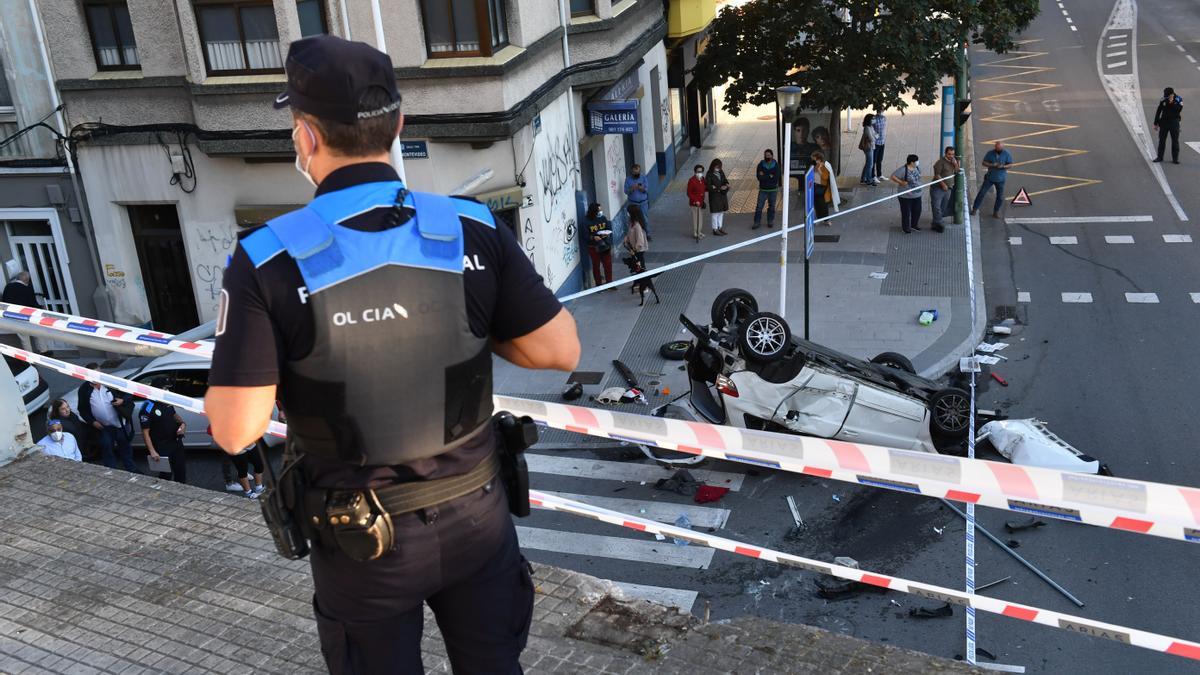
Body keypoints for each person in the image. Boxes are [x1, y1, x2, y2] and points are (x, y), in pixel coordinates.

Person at [204, 35, 580, 674]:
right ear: (398, 126)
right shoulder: (471, 226)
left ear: (305, 138)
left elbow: (235, 430)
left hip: (362, 544)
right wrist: (454, 322)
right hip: (477, 522)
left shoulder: (266, 259)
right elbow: (561, 349)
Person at [76, 378, 138, 473]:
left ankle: (131, 469)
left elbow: (129, 393)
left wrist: (122, 400)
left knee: (126, 448)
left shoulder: (110, 382)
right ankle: (112, 472)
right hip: (103, 427)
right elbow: (82, 409)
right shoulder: (84, 389)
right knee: (107, 449)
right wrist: (92, 422)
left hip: (120, 424)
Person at [139, 376, 188, 484]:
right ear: (157, 389)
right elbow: (145, 432)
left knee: (181, 472)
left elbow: (175, 416)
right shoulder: (148, 407)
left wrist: (183, 425)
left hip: (176, 442)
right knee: (166, 475)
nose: (167, 391)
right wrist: (152, 451)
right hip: (161, 446)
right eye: (165, 388)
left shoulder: (167, 402)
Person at [971, 141, 1013, 218]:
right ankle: (974, 209)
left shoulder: (1006, 154)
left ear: (1002, 148)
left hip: (1001, 179)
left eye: (999, 149)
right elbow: (983, 163)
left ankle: (996, 212)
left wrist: (1003, 167)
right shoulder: (990, 153)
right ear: (995, 147)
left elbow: (1010, 164)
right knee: (981, 193)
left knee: (1000, 197)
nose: (998, 150)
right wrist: (992, 165)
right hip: (990, 178)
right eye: (996, 148)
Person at [2, 271, 42, 352]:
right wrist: (40, 308)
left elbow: (4, 301)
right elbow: (32, 303)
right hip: (27, 315)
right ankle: (43, 350)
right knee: (38, 332)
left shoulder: (8, 286)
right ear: (27, 280)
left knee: (24, 337)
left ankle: (29, 356)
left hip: (13, 315)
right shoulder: (27, 288)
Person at [890, 154, 923, 234]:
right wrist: (901, 182)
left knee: (917, 210)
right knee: (906, 212)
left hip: (917, 194)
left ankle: (914, 225)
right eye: (916, 161)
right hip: (905, 196)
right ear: (912, 162)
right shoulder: (903, 170)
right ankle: (906, 228)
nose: (918, 162)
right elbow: (893, 176)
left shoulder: (917, 168)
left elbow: (919, 176)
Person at [930, 146, 960, 232]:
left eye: (953, 154)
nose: (951, 156)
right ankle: (939, 223)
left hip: (948, 188)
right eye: (949, 154)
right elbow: (937, 175)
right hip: (938, 188)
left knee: (943, 206)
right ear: (945, 153)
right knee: (936, 206)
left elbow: (957, 171)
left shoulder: (953, 162)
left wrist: (955, 164)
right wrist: (943, 184)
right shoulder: (940, 162)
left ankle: (935, 222)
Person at [584, 203, 613, 287]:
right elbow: (585, 236)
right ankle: (599, 285)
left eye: (601, 210)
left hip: (605, 245)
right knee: (596, 266)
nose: (601, 212)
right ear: (594, 211)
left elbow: (608, 228)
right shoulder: (586, 222)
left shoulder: (603, 218)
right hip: (593, 248)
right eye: (599, 210)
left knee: (608, 265)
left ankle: (610, 284)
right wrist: (593, 237)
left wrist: (607, 234)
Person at [1153, 86, 1183, 164]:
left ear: (1172, 94)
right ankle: (1160, 157)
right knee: (1162, 140)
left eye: (1168, 95)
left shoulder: (1179, 99)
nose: (1166, 97)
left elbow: (1178, 109)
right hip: (1164, 122)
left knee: (1175, 141)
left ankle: (1175, 159)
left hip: (1174, 122)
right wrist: (1156, 123)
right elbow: (1159, 111)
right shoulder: (1163, 99)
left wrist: (1171, 102)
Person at [810, 151, 840, 222]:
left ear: (819, 160)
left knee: (823, 205)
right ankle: (819, 218)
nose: (813, 161)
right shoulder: (813, 166)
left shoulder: (824, 166)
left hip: (822, 188)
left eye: (814, 160)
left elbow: (825, 177)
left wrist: (819, 170)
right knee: (816, 204)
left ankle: (826, 219)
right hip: (815, 186)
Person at [753, 149, 780, 230]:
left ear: (772, 156)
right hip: (763, 190)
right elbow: (759, 177)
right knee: (759, 207)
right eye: (766, 155)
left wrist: (765, 175)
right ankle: (756, 222)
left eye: (768, 155)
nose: (767, 157)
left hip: (773, 190)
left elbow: (776, 178)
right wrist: (769, 175)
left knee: (772, 206)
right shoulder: (760, 165)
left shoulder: (776, 165)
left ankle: (770, 221)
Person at [623, 164, 650, 236]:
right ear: (631, 172)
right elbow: (626, 191)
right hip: (633, 203)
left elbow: (646, 190)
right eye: (635, 173)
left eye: (638, 173)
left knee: (645, 218)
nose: (636, 174)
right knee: (633, 220)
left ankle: (647, 234)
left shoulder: (643, 178)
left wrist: (641, 188)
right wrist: (632, 188)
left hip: (643, 203)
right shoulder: (628, 179)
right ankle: (634, 235)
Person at [705, 158, 730, 235]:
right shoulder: (709, 174)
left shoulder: (721, 172)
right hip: (714, 197)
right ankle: (715, 229)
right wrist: (719, 188)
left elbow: (724, 180)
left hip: (722, 196)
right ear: (713, 166)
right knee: (715, 213)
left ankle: (720, 227)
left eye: (719, 167)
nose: (718, 169)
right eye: (717, 167)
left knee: (721, 212)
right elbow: (709, 187)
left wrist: (726, 184)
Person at [686, 164, 707, 242]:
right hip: (695, 203)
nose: (700, 173)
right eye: (698, 171)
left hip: (701, 202)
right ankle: (696, 233)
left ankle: (699, 232)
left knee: (700, 218)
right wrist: (695, 200)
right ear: (695, 172)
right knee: (696, 218)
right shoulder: (692, 180)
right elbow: (689, 193)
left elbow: (704, 188)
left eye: (701, 171)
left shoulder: (702, 179)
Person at [859, 114, 879, 185]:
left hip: (871, 147)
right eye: (872, 119)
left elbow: (876, 135)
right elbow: (872, 138)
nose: (874, 120)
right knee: (870, 164)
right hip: (868, 148)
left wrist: (875, 136)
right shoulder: (867, 128)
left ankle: (863, 178)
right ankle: (869, 180)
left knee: (868, 163)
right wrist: (875, 136)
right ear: (869, 120)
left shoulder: (871, 127)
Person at [872, 109, 888, 180]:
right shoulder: (874, 119)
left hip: (882, 142)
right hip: (876, 142)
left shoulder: (884, 118)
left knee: (880, 159)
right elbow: (871, 129)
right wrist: (876, 136)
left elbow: (884, 129)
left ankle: (879, 174)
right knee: (874, 160)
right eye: (881, 109)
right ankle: (873, 176)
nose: (882, 111)